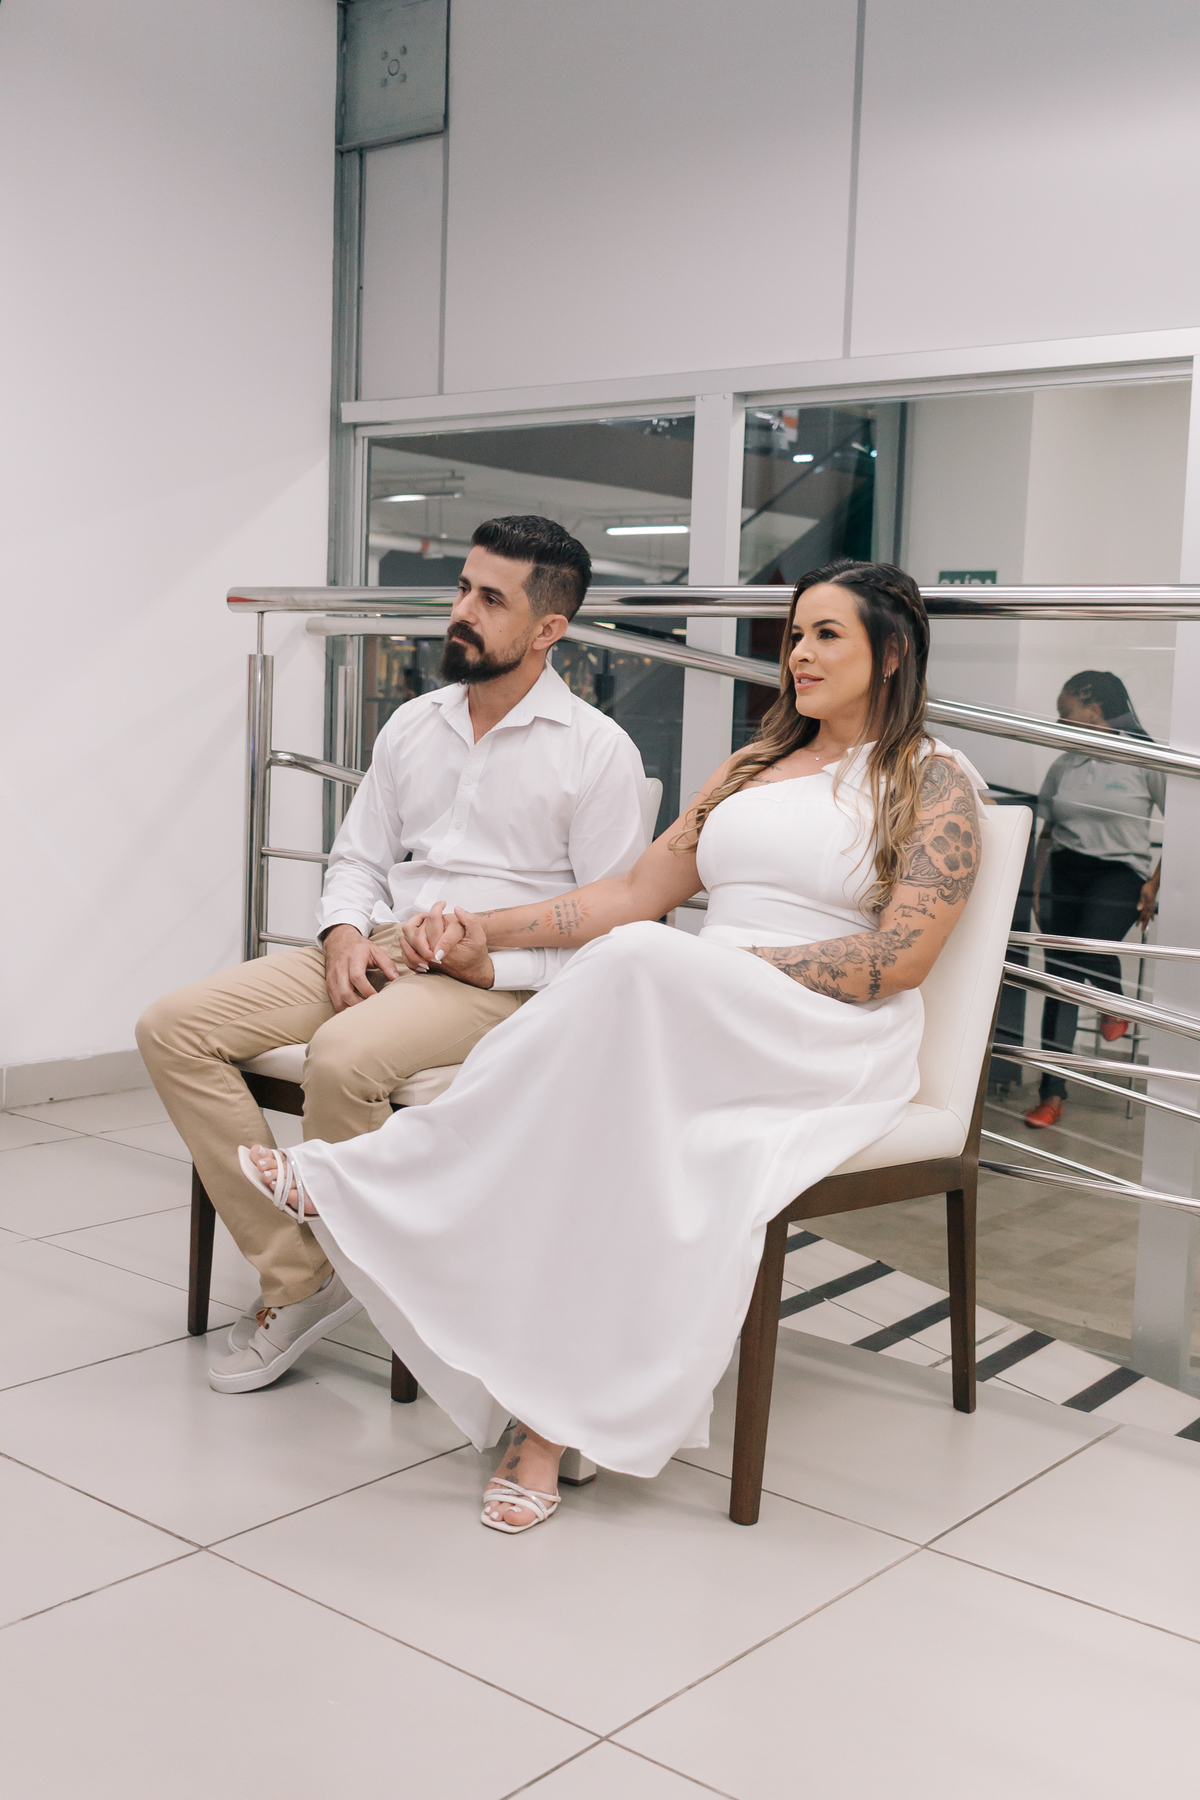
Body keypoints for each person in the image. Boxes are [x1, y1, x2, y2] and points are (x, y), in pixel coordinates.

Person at [238, 559, 985, 1535]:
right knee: (611, 1103)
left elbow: (901, 958)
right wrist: (482, 930)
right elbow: (631, 895)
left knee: (639, 964)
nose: (798, 653)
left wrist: (728, 969)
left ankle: (378, 1177)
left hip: (823, 1032)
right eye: (796, 633)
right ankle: (542, 1426)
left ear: (891, 654)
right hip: (691, 1010)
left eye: (826, 635)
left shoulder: (932, 780)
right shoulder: (749, 768)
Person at [137, 515, 649, 1393]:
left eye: (492, 600)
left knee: (343, 1057)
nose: (463, 611)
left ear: (549, 629)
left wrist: (495, 962)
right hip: (383, 945)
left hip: (497, 978)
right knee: (172, 1027)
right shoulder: (415, 724)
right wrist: (341, 932)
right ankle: (304, 1272)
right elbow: (358, 861)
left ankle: (359, 1279)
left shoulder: (598, 753)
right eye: (463, 589)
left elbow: (612, 929)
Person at [1024, 671, 1163, 1130]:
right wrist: (1037, 889)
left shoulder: (1144, 760)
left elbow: (1187, 824)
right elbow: (1046, 832)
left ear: (1094, 708)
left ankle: (1114, 1001)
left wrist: (1156, 883)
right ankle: (1051, 1094)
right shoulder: (1065, 765)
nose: (1059, 721)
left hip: (1120, 875)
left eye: (1065, 711)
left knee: (1087, 948)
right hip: (1065, 871)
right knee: (1059, 981)